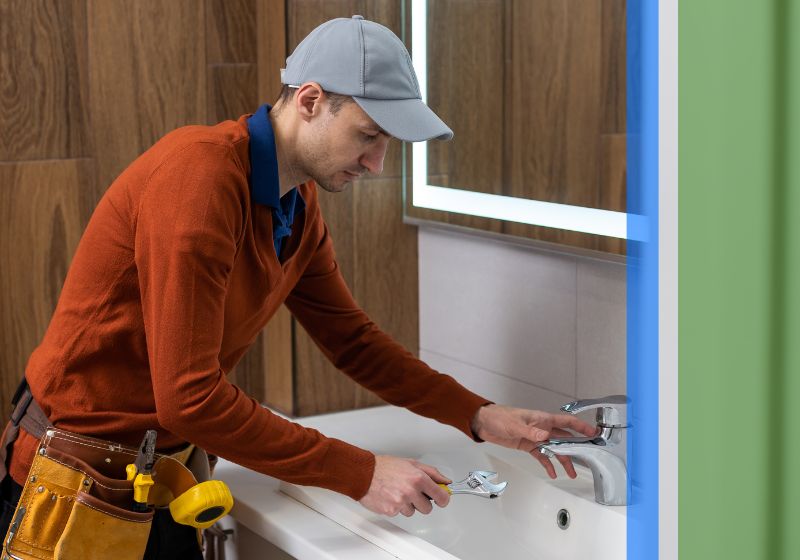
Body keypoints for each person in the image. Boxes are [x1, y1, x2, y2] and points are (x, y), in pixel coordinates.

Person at [0, 15, 596, 559]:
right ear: (311, 101)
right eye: (368, 135)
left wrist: (478, 414)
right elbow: (191, 398)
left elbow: (352, 342)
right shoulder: (200, 179)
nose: (377, 165)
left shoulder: (296, 203)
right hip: (74, 484)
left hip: (157, 477)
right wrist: (360, 472)